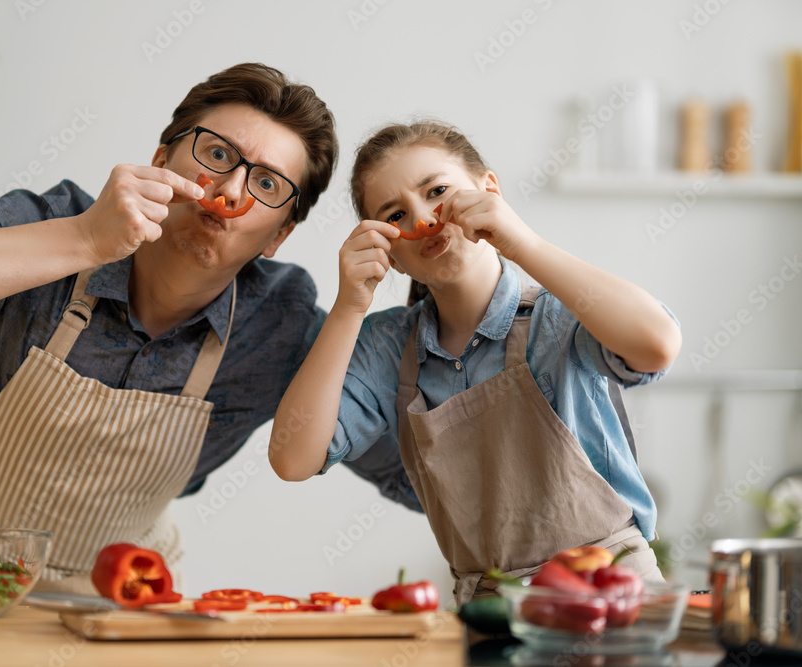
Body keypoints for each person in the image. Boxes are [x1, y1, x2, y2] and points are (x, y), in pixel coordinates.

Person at [0, 63, 416, 594]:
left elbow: (409, 465)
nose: (230, 189)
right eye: (216, 154)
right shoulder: (52, 225)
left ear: (279, 236)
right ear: (161, 161)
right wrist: (83, 240)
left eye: (266, 184)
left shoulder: (280, 325)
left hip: (127, 614)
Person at [268, 121, 682, 603]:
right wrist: (348, 306)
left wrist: (521, 241)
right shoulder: (386, 347)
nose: (424, 218)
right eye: (397, 214)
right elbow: (292, 459)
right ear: (392, 255)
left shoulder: (557, 316)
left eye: (437, 191)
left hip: (616, 596)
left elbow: (657, 344)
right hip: (492, 614)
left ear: (489, 190)